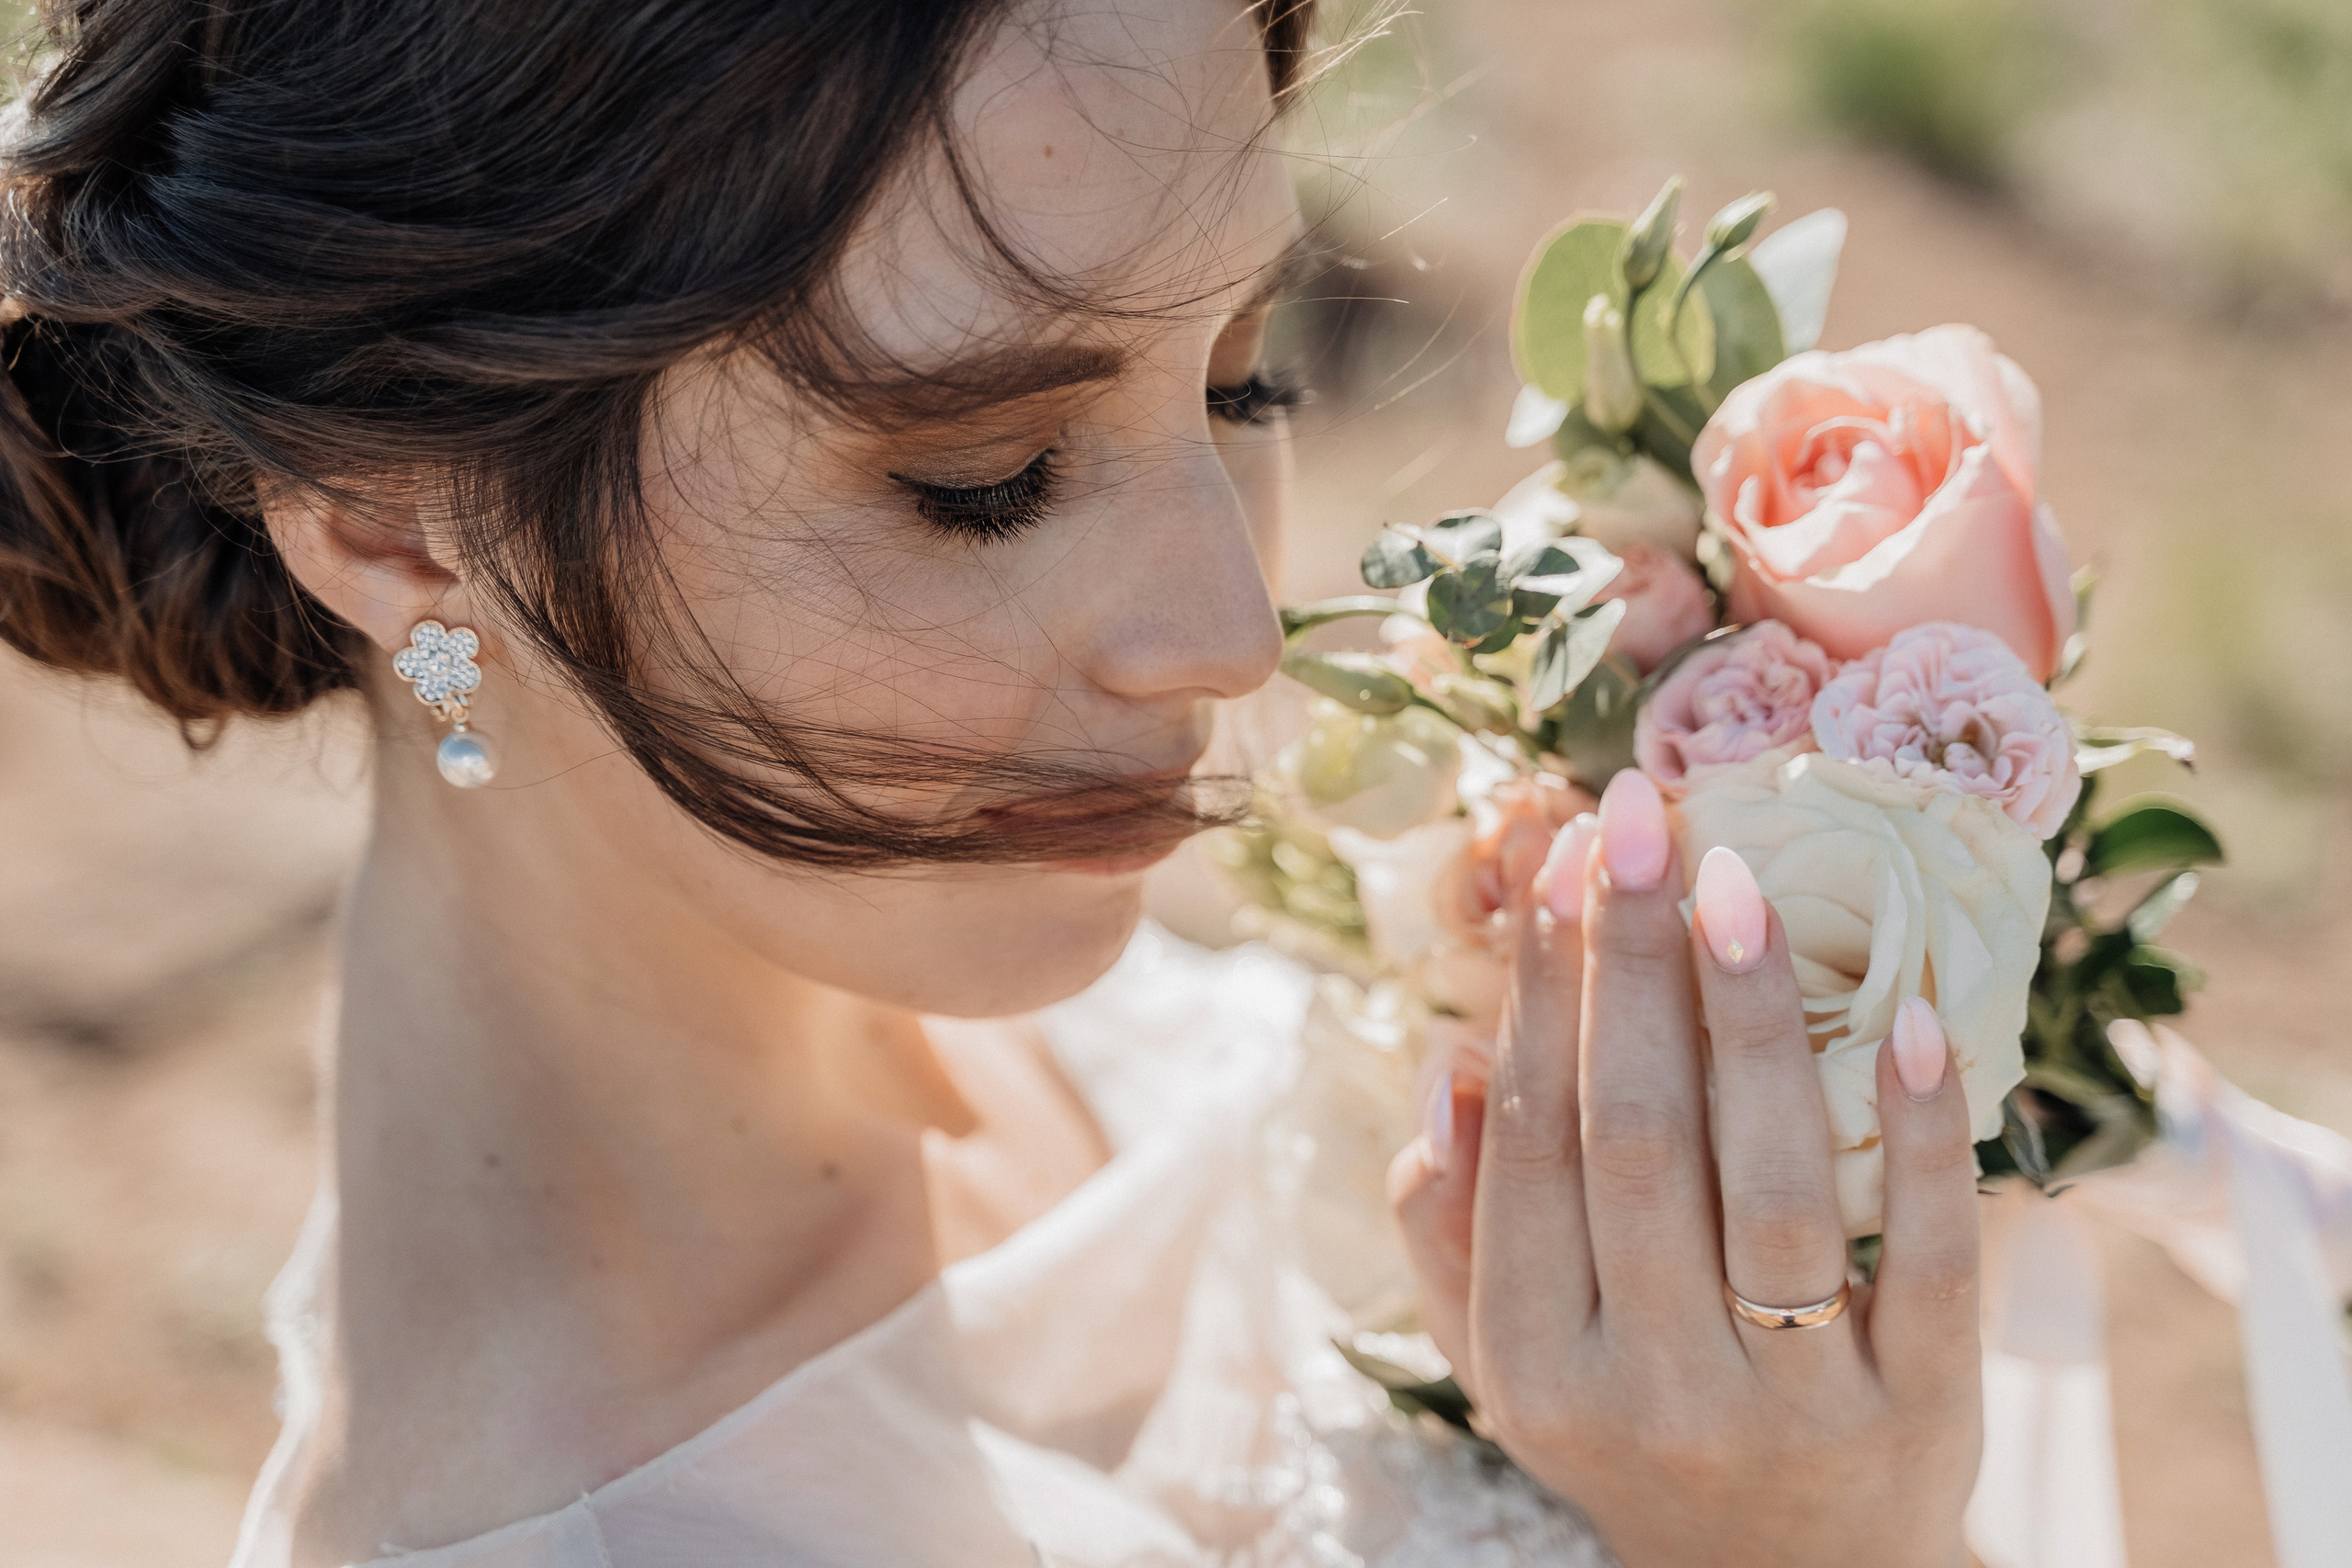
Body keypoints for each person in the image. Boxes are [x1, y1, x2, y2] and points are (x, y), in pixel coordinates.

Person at [0, 1, 1982, 1562]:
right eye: (983, 479)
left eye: (1238, 374)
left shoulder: (1112, 1017)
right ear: (395, 525)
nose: (1229, 626)